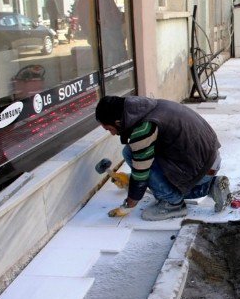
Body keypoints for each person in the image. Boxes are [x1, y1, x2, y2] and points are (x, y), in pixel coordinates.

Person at [95, 95, 232, 221]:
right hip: (209, 161)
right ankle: (212, 186)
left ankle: (172, 204)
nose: (112, 134)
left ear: (118, 122)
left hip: (198, 168)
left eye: (109, 129)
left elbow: (142, 174)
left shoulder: (144, 128)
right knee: (135, 154)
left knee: (131, 155)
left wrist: (129, 205)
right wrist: (130, 179)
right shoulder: (149, 108)